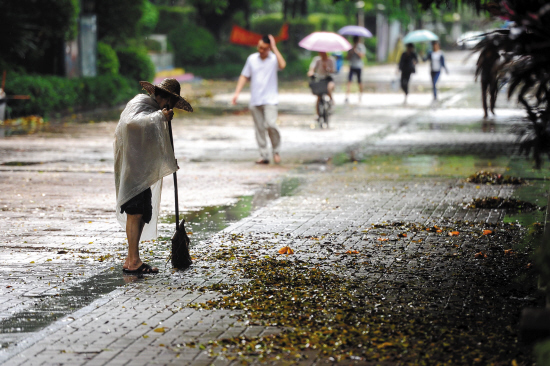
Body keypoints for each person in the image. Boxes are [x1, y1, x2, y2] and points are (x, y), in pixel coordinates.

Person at [114, 78, 192, 274]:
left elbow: (154, 141)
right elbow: (131, 124)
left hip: (141, 169)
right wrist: (159, 117)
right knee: (135, 211)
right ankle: (133, 261)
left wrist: (168, 161)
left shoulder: (153, 110)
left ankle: (132, 258)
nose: (170, 107)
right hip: (132, 167)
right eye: (171, 103)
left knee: (141, 212)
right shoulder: (140, 103)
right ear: (165, 97)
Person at [232, 34, 286, 165]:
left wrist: (274, 48)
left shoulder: (274, 59)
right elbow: (244, 75)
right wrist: (237, 93)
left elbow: (283, 65)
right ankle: (264, 155)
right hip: (256, 99)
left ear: (269, 49)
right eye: (259, 47)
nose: (261, 50)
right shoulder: (252, 59)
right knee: (259, 128)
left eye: (264, 48)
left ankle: (276, 151)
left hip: (271, 99)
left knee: (271, 125)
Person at [307, 52, 336, 118]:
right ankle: (317, 114)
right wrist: (311, 72)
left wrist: (326, 68)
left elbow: (333, 71)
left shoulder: (331, 60)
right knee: (319, 96)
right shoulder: (317, 60)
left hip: (328, 79)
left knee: (329, 88)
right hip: (320, 79)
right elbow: (312, 68)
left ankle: (331, 102)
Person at [476, 44, 501, 118]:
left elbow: (499, 64)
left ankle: (492, 108)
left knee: (493, 93)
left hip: (492, 77)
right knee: (484, 94)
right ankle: (485, 111)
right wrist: (476, 75)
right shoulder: (483, 54)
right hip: (484, 76)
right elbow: (479, 65)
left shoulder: (495, 54)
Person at [345, 36, 366, 103]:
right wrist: (351, 51)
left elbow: (362, 56)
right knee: (349, 81)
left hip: (358, 66)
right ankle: (347, 96)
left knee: (359, 81)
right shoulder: (350, 47)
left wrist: (356, 51)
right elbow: (347, 58)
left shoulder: (361, 47)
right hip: (352, 66)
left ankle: (360, 95)